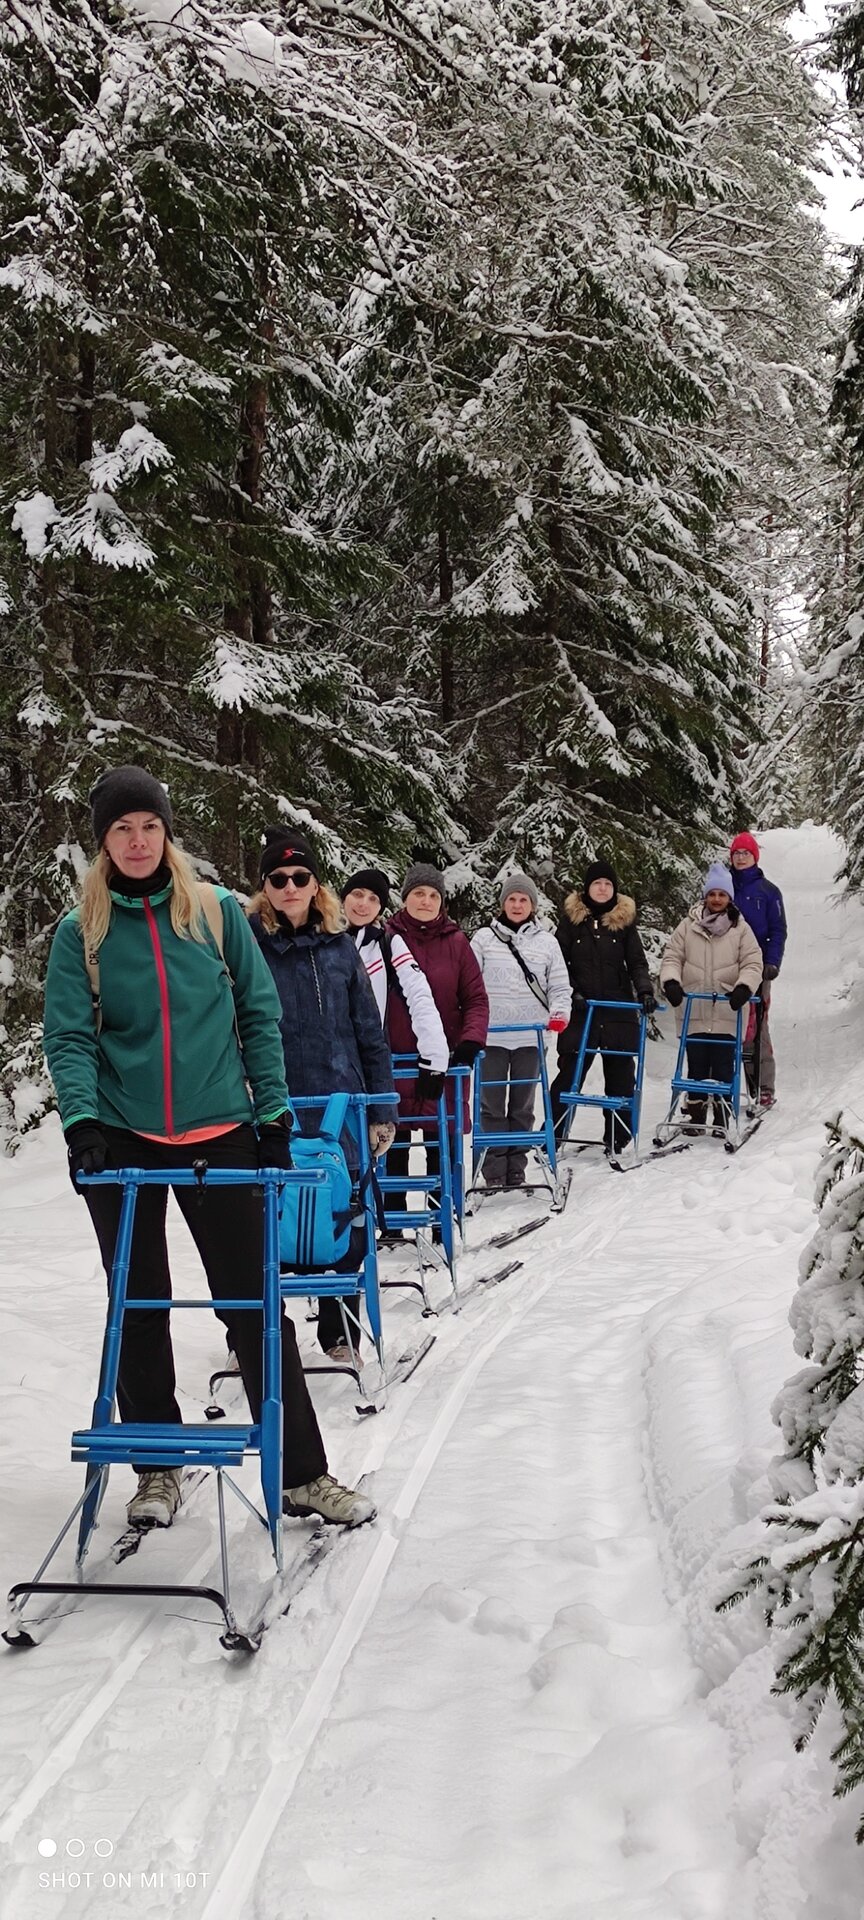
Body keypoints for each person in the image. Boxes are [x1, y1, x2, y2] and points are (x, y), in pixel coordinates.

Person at [43, 766, 373, 1532]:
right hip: (122, 1135)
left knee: (251, 1304)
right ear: (103, 841)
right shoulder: (80, 932)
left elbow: (258, 1016)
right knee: (138, 1301)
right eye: (121, 829)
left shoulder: (218, 913)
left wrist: (274, 1114)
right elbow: (68, 1036)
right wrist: (82, 1124)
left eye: (149, 826)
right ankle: (157, 1467)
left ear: (167, 833)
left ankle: (303, 1473)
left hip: (221, 1127)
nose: (136, 841)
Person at [247, 830, 395, 1364]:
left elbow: (369, 1031)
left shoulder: (339, 946)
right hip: (271, 1103)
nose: (290, 887)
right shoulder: (247, 944)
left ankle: (340, 1333)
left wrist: (382, 1109)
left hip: (340, 1102)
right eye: (278, 879)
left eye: (300, 877)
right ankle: (257, 1336)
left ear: (316, 885)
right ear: (265, 887)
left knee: (343, 1208)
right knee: (263, 1217)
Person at [385, 863, 489, 1233]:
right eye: (418, 894)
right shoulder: (385, 938)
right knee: (391, 1145)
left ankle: (439, 1220)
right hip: (395, 1062)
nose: (426, 901)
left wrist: (470, 1041)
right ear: (405, 898)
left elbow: (475, 998)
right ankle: (391, 1224)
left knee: (437, 1147)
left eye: (433, 895)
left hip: (441, 1065)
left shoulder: (456, 942)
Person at [470, 874, 572, 1188]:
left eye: (523, 900)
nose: (517, 905)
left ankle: (517, 1167)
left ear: (532, 905)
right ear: (503, 903)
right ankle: (493, 1170)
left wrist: (559, 1013)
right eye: (512, 899)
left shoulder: (547, 942)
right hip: (492, 1037)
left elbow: (559, 985)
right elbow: (470, 984)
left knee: (523, 1107)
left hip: (531, 1035)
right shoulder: (484, 939)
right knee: (491, 1106)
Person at [550, 859, 655, 1155]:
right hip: (582, 1011)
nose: (602, 888)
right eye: (597, 883)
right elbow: (558, 964)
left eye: (608, 884)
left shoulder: (623, 923)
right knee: (569, 1073)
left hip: (616, 1009)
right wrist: (572, 992)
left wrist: (644, 990)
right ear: (587, 887)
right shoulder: (571, 922)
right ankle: (553, 1135)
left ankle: (618, 1138)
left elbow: (636, 961)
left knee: (621, 1075)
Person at [660, 860, 763, 1129]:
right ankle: (695, 1114)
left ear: (729, 898)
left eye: (722, 895)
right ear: (705, 896)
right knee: (696, 1065)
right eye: (712, 894)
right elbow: (672, 956)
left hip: (727, 1010)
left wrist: (744, 986)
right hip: (695, 1009)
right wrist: (671, 981)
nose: (716, 899)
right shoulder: (688, 926)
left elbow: (753, 963)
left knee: (721, 1066)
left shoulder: (741, 929)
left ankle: (722, 1114)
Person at [340, 868, 449, 1094]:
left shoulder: (387, 943)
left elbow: (419, 994)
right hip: (326, 1064)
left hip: (369, 1063)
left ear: (380, 908)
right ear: (344, 897)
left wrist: (435, 1058)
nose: (363, 904)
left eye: (373, 899)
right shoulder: (320, 938)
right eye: (357, 894)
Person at [729, 831, 787, 1107]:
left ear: (755, 857)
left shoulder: (768, 891)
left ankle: (763, 1084)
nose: (741, 858)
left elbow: (778, 930)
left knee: (756, 1025)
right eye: (736, 853)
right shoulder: (724, 887)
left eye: (746, 853)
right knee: (726, 1024)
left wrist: (772, 962)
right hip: (725, 966)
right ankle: (721, 1082)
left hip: (758, 969)